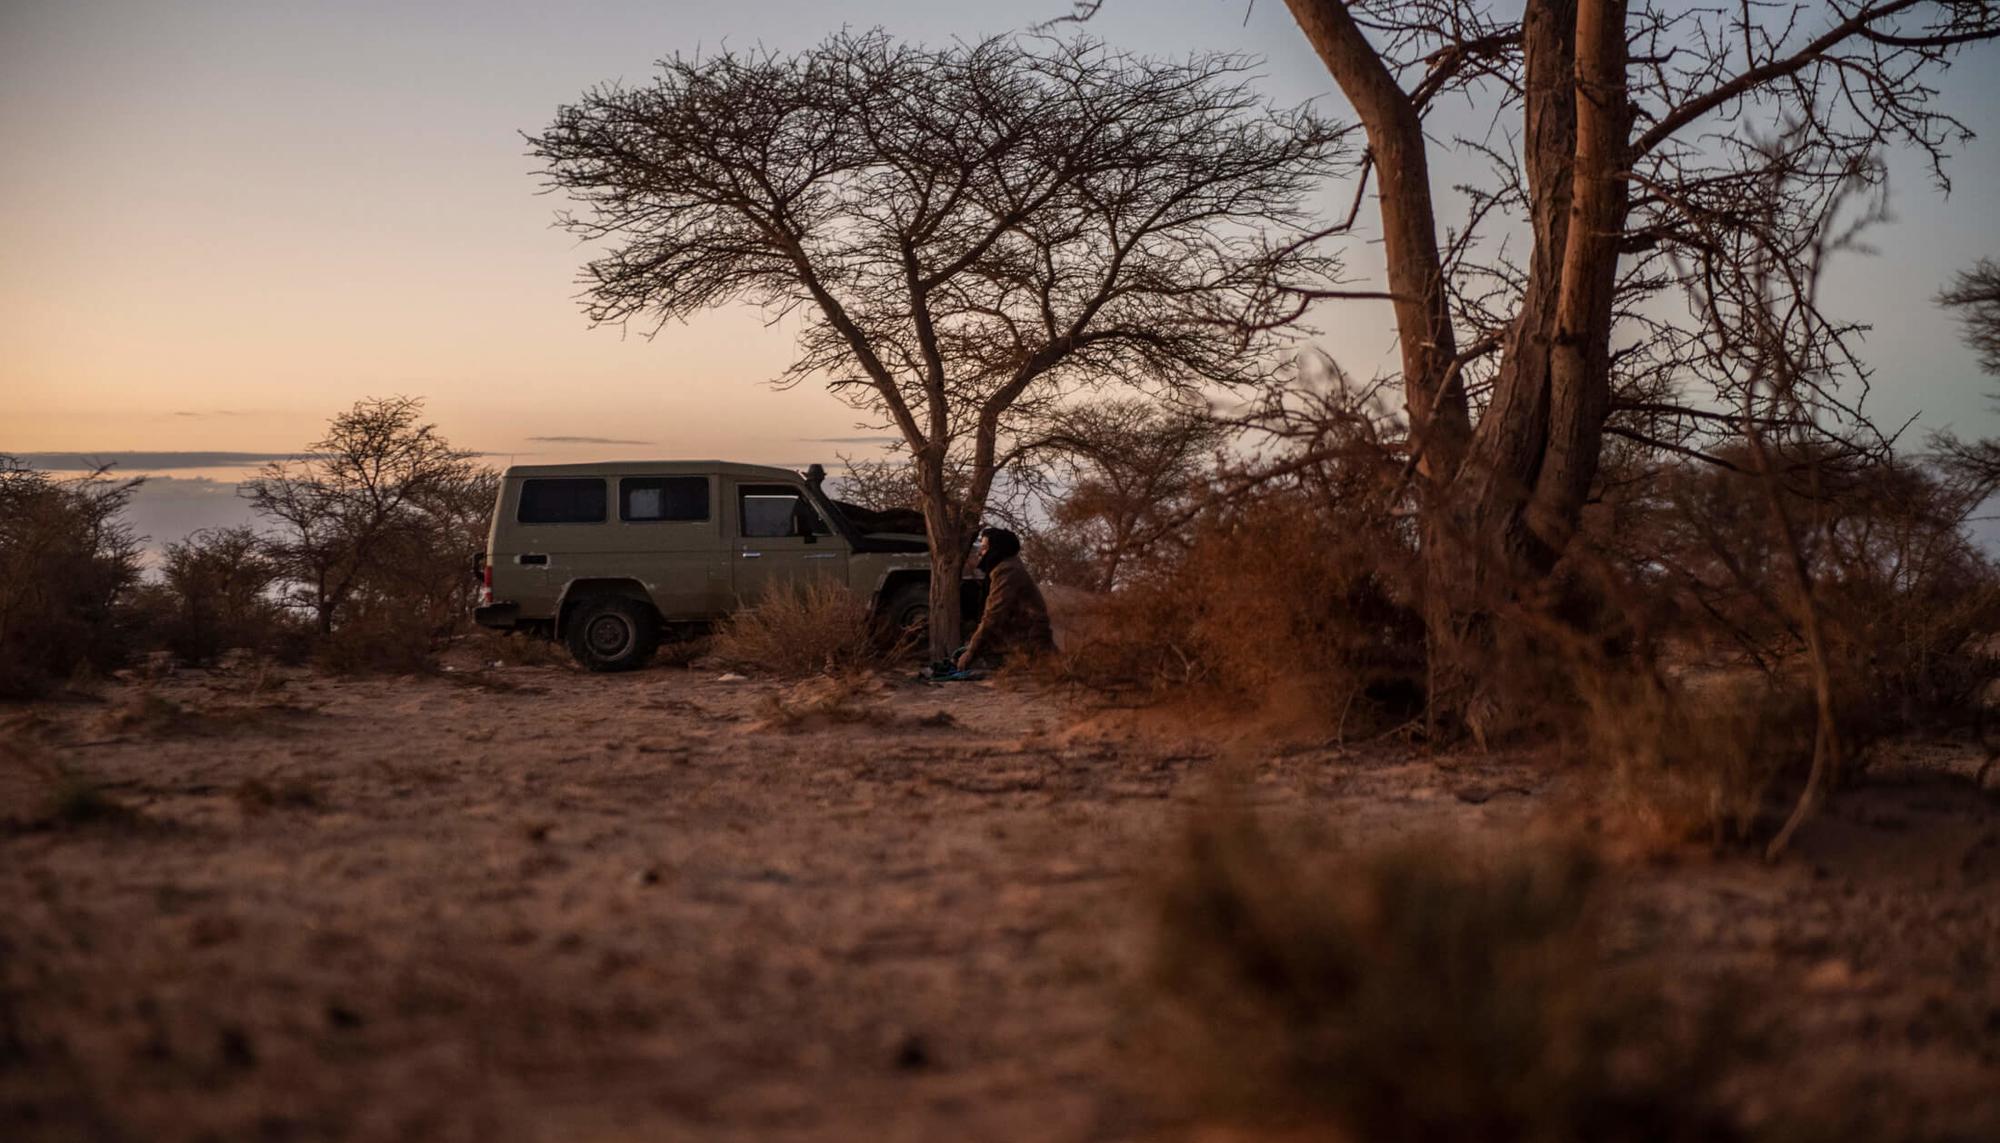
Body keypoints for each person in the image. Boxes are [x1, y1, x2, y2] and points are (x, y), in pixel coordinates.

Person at [956, 526, 1055, 671]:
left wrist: (971, 651)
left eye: (984, 548)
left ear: (996, 549)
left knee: (1051, 671)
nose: (980, 552)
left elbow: (993, 615)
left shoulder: (1007, 570)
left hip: (1029, 639)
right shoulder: (1006, 567)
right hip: (1021, 636)